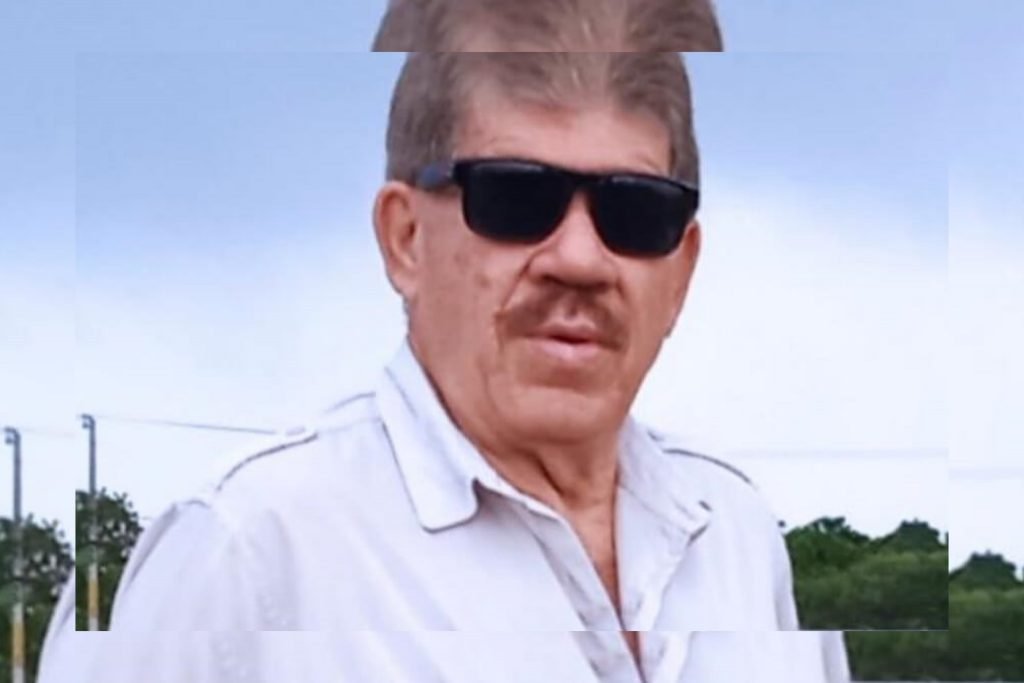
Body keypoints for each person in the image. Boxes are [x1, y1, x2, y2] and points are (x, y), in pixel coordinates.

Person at [42, 2, 851, 681]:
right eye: (515, 198)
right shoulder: (247, 553)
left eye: (636, 210)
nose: (579, 259)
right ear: (404, 238)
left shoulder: (740, 541)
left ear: (681, 269)